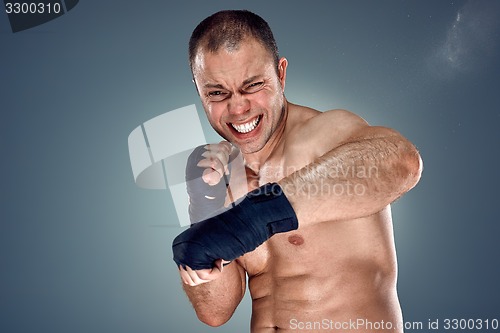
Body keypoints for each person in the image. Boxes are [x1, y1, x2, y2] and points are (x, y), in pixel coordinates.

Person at [172, 10, 423, 332]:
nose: (237, 108)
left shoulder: (327, 134)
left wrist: (255, 216)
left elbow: (401, 162)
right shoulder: (220, 173)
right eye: (217, 93)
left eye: (253, 86)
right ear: (199, 91)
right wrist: (203, 209)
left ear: (280, 74)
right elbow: (215, 312)